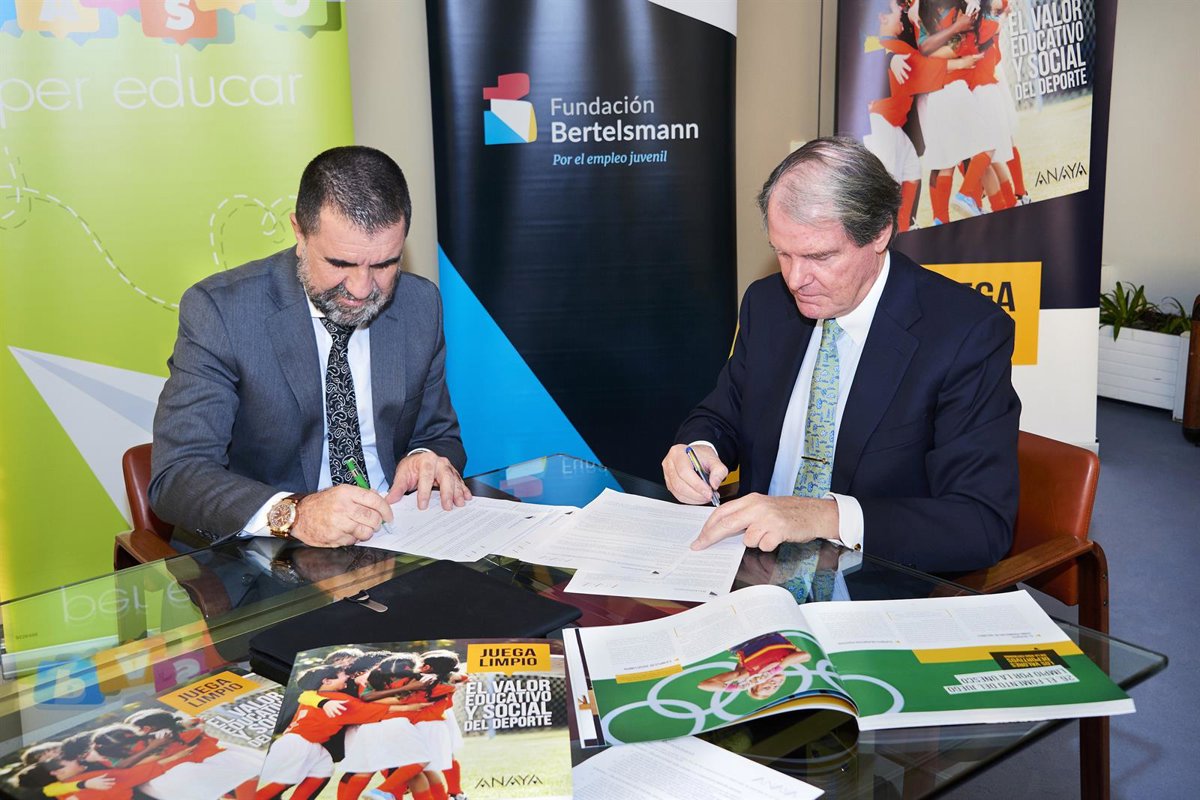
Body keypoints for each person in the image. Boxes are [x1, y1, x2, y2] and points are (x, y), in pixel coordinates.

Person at [662, 136, 1019, 574]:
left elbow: (979, 523)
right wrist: (697, 449)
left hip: (876, 582)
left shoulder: (964, 334)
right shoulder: (767, 304)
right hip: (753, 571)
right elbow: (724, 414)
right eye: (782, 253)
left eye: (819, 256)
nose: (796, 279)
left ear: (880, 233)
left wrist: (823, 516)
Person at [150, 146, 470, 547]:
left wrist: (425, 457)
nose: (362, 289)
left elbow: (440, 435)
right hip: (267, 550)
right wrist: (295, 513)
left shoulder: (420, 304)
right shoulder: (222, 313)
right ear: (300, 234)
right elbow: (178, 476)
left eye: (385, 264)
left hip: (394, 536)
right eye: (340, 264)